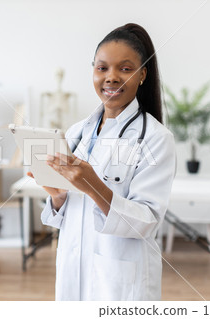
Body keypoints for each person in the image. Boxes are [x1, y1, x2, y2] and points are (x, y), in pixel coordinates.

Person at [36, 23, 176, 300]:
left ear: (142, 75)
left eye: (125, 69)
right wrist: (58, 198)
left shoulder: (156, 138)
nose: (111, 77)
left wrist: (94, 187)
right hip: (73, 268)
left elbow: (146, 221)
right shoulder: (77, 132)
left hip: (120, 281)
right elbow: (72, 216)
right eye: (102, 68)